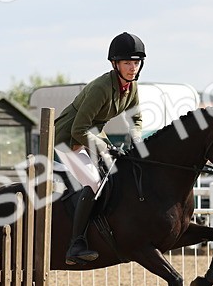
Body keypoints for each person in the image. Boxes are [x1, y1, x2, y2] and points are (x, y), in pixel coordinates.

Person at [53, 32, 145, 264]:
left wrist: (135, 138)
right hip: (67, 139)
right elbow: (78, 130)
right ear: (115, 64)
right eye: (127, 63)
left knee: (115, 174)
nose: (132, 68)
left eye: (136, 62)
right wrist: (105, 148)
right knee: (93, 181)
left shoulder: (131, 87)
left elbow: (136, 119)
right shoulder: (101, 88)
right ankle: (76, 243)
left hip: (91, 136)